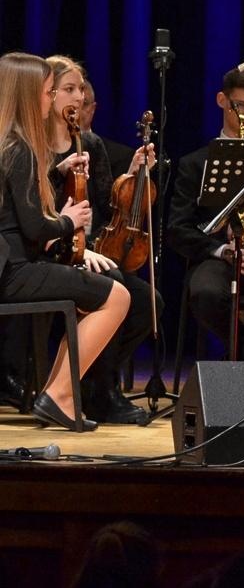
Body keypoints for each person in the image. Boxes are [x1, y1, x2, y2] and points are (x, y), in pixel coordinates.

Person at [0, 51, 131, 431]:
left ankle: (60, 394)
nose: (51, 99)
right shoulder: (20, 147)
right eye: (47, 92)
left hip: (12, 266)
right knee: (117, 296)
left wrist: (56, 174)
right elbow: (35, 230)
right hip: (14, 272)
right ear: (28, 95)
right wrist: (68, 220)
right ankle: (59, 394)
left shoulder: (8, 143)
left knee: (101, 293)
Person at [40, 56, 160, 423]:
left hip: (86, 249)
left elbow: (107, 208)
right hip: (48, 250)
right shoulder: (36, 143)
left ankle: (92, 386)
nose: (78, 97)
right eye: (69, 89)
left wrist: (134, 176)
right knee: (115, 283)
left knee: (148, 303)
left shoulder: (90, 142)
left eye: (81, 90)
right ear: (49, 94)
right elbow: (33, 211)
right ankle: (102, 392)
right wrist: (57, 174)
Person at [166, 69, 244, 355]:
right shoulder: (195, 163)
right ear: (222, 100)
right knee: (205, 292)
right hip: (219, 256)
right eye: (241, 106)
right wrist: (222, 250)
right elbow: (178, 228)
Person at [79, 79, 135, 177]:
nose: (77, 110)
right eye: (73, 104)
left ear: (93, 109)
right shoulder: (49, 152)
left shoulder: (121, 157)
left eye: (84, 103)